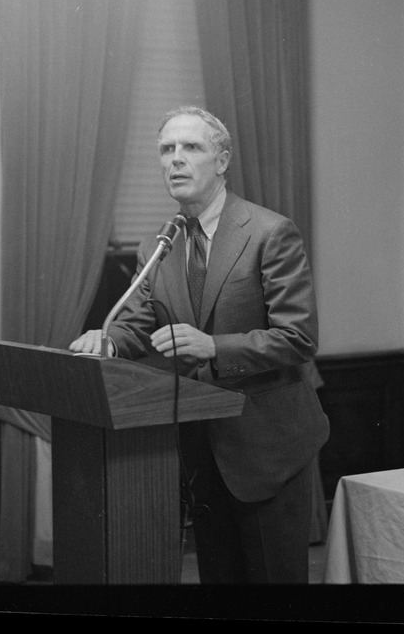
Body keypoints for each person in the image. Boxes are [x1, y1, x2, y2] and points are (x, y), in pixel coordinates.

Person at [69, 106, 329, 583]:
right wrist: (107, 342)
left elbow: (298, 337)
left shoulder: (269, 232)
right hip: (201, 448)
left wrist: (215, 347)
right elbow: (136, 326)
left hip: (268, 449)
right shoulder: (159, 246)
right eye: (167, 150)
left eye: (192, 147)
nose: (176, 160)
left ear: (223, 160)